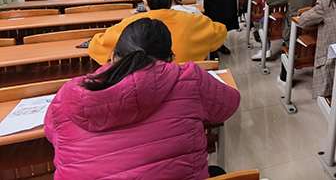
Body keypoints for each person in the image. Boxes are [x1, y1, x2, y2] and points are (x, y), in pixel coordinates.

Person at [45, 18, 240, 180]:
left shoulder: (68, 94)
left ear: (113, 56)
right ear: (170, 58)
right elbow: (229, 104)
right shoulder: (189, 79)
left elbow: (51, 133)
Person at [88, 0, 228, 65]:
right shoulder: (194, 20)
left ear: (144, 1)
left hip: (145, 87)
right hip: (186, 82)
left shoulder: (130, 24)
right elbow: (221, 31)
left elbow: (96, 46)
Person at [267, 0, 315, 87]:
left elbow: (270, 0)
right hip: (316, 30)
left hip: (295, 33)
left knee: (286, 44)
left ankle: (284, 78)